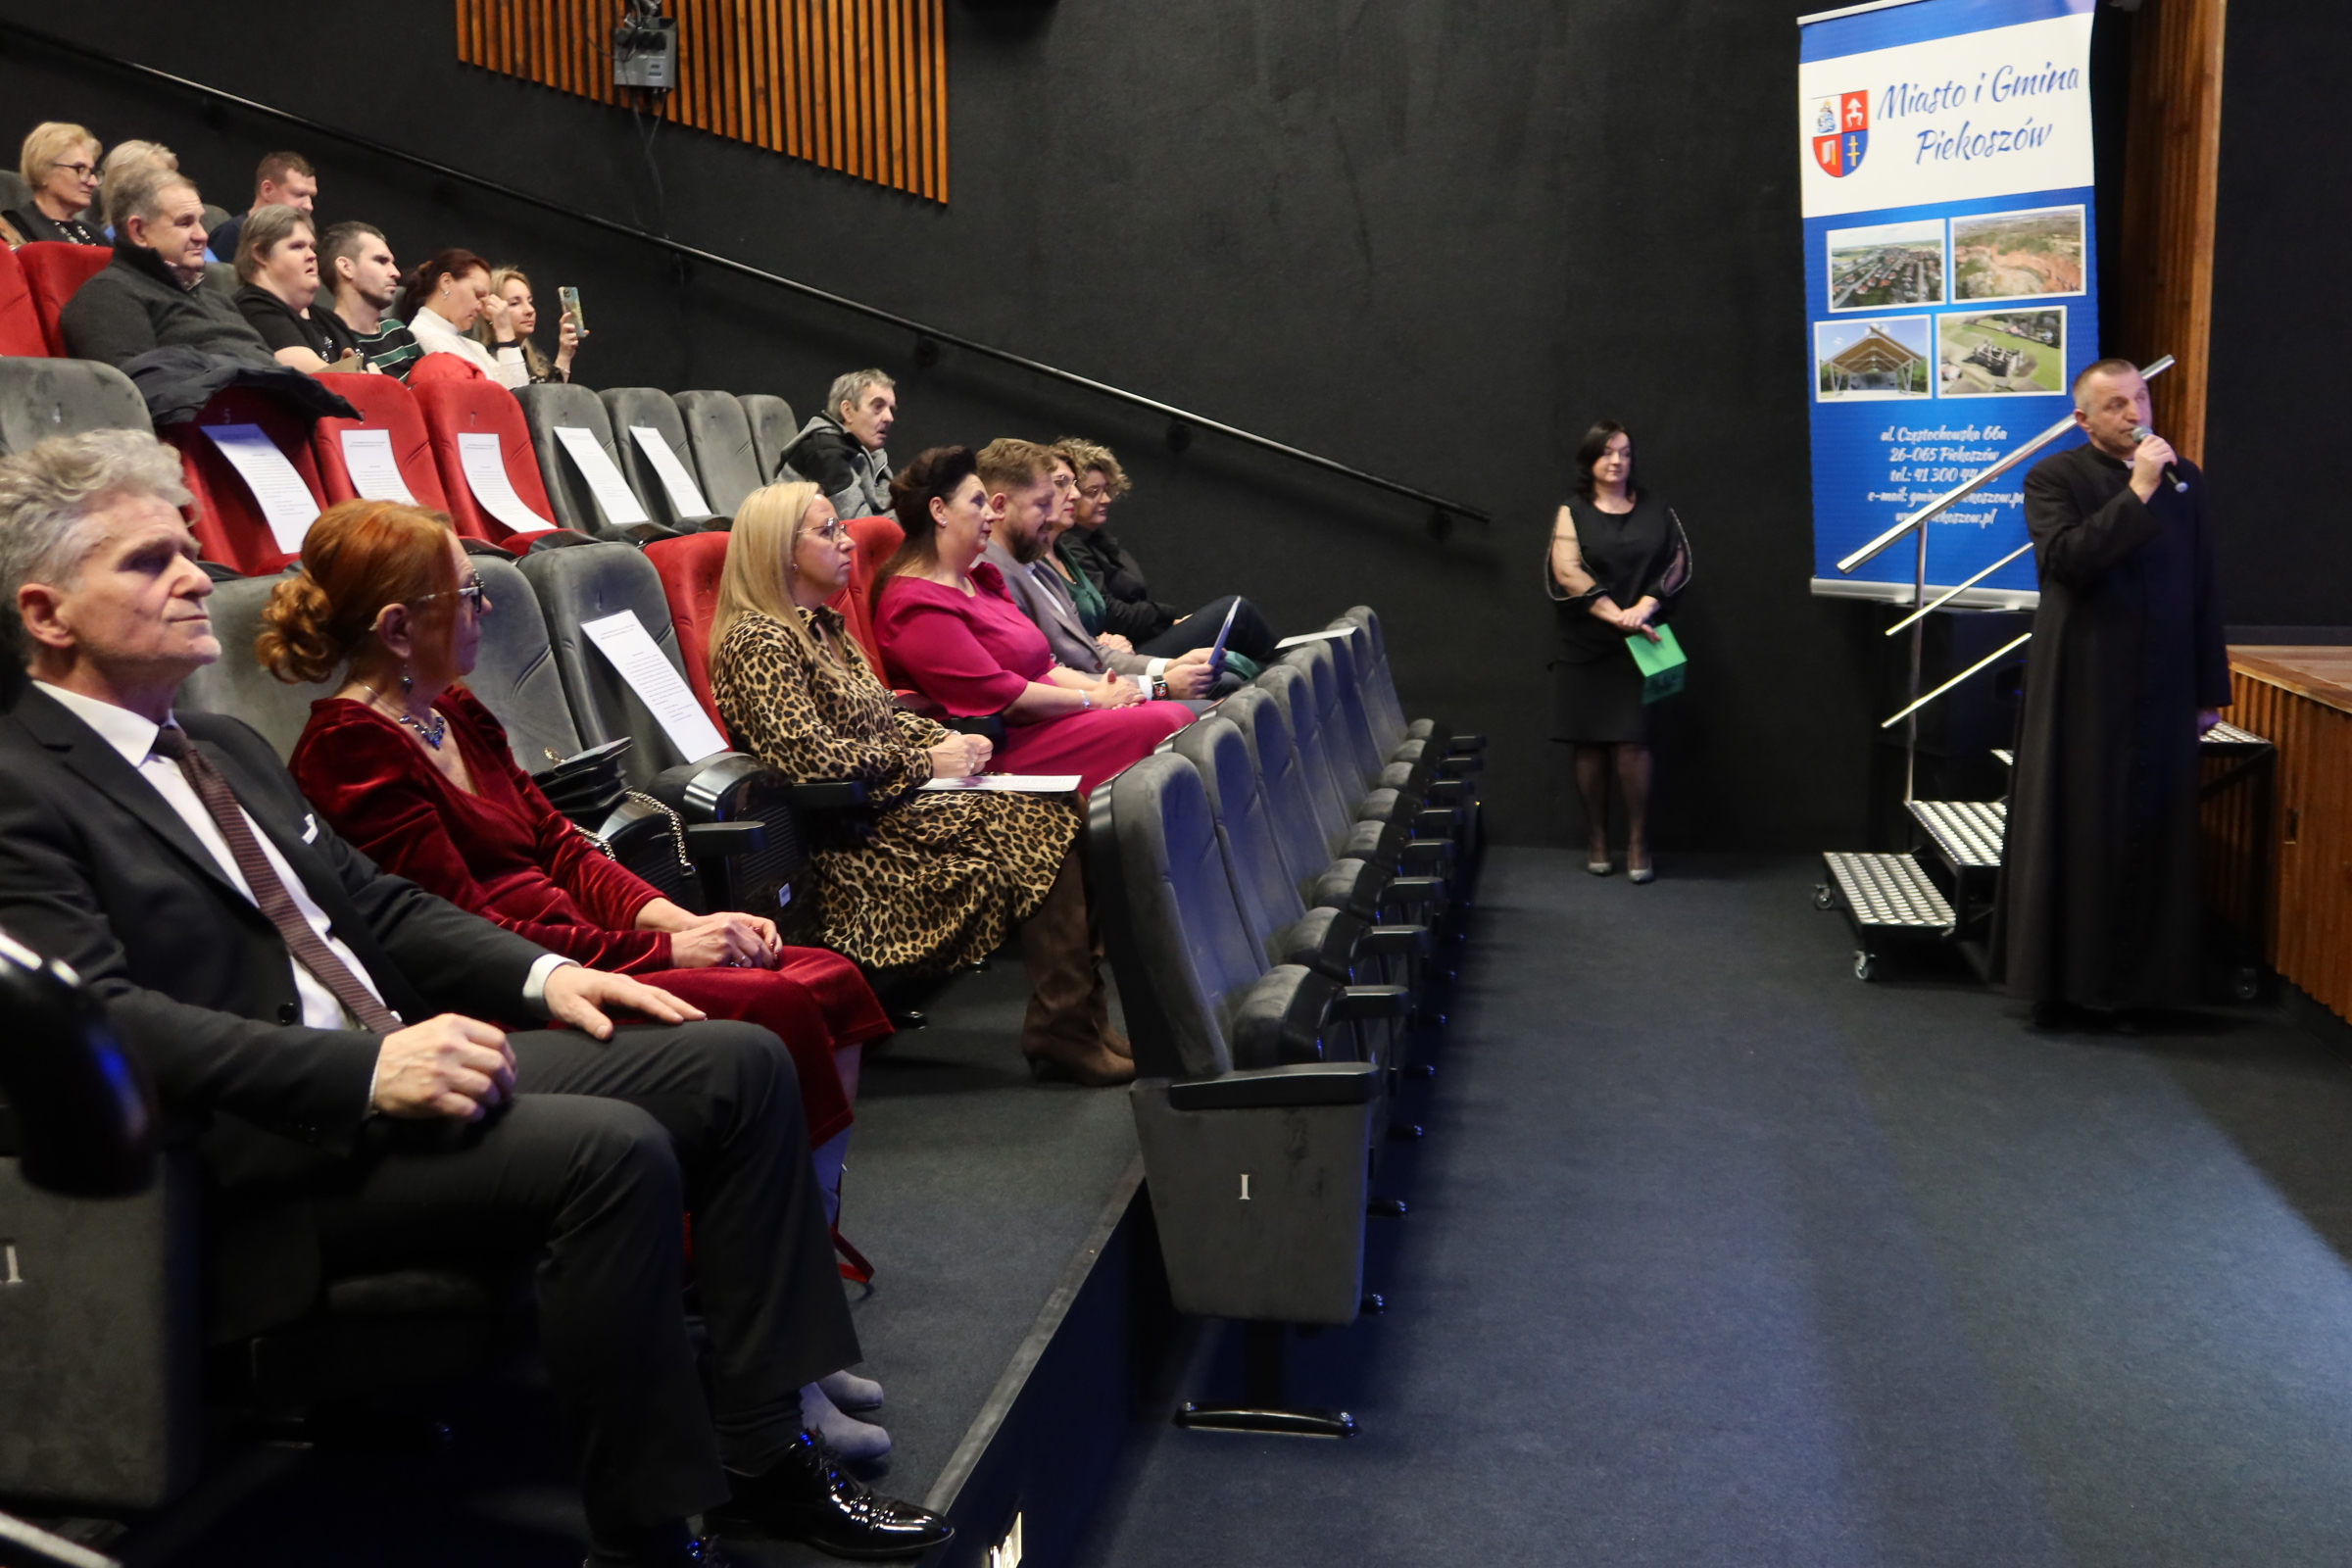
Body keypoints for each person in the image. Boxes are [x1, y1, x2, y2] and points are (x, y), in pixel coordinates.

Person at [0, 430, 954, 1567]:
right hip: (272, 1140)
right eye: (148, 562)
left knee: (734, 1061)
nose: (196, 578)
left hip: (393, 1059)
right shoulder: (20, 783)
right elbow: (100, 1019)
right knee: (611, 1151)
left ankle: (765, 1453)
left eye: (186, 550)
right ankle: (644, 1539)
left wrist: (556, 974)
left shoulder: (218, 744)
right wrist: (367, 1068)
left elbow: (380, 904)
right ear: (47, 614)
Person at [269, 498, 897, 1457]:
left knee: (827, 978)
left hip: (588, 942)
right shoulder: (349, 750)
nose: (483, 609)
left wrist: (682, 921)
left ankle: (782, 1299)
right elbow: (463, 931)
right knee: (772, 1004)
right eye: (466, 595)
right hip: (508, 984)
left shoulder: (452, 709)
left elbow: (563, 846)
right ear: (397, 628)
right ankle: (776, 1357)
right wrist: (662, 958)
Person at [710, 480, 1135, 1086]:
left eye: (842, 528)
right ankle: (1064, 1026)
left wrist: (947, 742)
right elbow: (811, 759)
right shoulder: (758, 641)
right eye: (827, 531)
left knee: (1065, 803)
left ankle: (1081, 1017)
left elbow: (884, 715)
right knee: (1049, 820)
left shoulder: (823, 627)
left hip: (892, 806)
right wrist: (927, 764)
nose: (846, 543)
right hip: (851, 841)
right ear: (781, 551)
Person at [1993, 359, 2230, 1028]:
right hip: (2085, 683)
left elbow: (2203, 586)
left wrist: (2209, 690)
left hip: (2164, 681)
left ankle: (2143, 990)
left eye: (2141, 400)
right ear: (2084, 419)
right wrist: (2139, 490)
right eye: (2117, 405)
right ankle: (2069, 985)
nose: (2135, 415)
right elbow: (2066, 563)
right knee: (2084, 824)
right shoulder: (2054, 478)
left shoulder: (2186, 480)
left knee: (2156, 829)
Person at [873, 445, 1192, 798]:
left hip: (1048, 719)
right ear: (939, 511)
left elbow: (1045, 666)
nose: (990, 514)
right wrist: (1092, 699)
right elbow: (1004, 697)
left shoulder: (981, 579)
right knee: (1168, 722)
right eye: (977, 502)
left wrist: (1108, 692)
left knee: (1177, 717)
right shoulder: (914, 604)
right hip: (1002, 748)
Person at [1545, 420, 1691, 883]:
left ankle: (1638, 842)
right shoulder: (1571, 511)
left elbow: (1678, 562)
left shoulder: (1656, 508)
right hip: (1587, 643)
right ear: (1589, 459)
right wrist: (1617, 615)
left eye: (1625, 453)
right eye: (1607, 453)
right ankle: (1597, 839)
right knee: (1589, 741)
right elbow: (1567, 572)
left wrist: (1644, 608)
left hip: (1644, 642)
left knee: (1634, 741)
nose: (1617, 461)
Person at [974, 439, 1215, 702]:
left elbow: (1091, 652)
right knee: (1205, 697)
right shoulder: (990, 575)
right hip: (1078, 702)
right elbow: (1043, 677)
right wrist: (1160, 685)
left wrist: (1168, 667)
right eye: (1044, 502)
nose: (1071, 497)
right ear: (999, 506)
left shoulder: (1040, 566)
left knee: (1223, 680)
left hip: (1101, 686)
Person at [1053, 437, 1278, 664]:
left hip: (1142, 640)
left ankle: (1284, 671)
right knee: (1235, 611)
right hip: (1127, 652)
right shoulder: (1070, 545)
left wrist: (1166, 622)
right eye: (1093, 492)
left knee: (1231, 668)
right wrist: (1168, 618)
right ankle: (1287, 666)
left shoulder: (1097, 540)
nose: (1106, 499)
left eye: (1106, 489)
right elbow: (1111, 614)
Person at [59, 163, 275, 369]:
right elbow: (133, 386)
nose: (202, 235)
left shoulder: (218, 299)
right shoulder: (108, 295)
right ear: (139, 231)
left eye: (201, 222)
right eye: (184, 223)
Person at [231, 205, 363, 373]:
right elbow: (314, 379)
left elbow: (377, 378)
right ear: (260, 254)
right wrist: (352, 378)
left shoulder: (330, 319)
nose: (312, 255)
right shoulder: (252, 307)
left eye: (312, 247)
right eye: (297, 246)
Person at [397, 247, 528, 387]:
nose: (481, 307)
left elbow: (519, 392)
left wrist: (505, 332)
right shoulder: (420, 334)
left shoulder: (474, 346)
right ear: (446, 282)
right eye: (477, 295)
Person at [779, 369, 896, 519]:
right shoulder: (825, 451)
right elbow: (858, 523)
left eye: (891, 409)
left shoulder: (873, 454)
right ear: (847, 411)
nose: (889, 417)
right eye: (878, 407)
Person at [319, 220, 426, 380]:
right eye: (381, 261)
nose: (395, 272)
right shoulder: (326, 342)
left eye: (392, 263)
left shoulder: (397, 331)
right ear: (346, 267)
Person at [205, 150, 318, 272]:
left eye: (311, 197)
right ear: (267, 190)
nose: (309, 206)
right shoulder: (232, 234)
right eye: (299, 194)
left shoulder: (304, 240)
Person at [477, 266, 584, 384]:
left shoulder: (536, 360)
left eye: (530, 302)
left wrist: (565, 354)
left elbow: (551, 394)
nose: (530, 310)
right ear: (489, 312)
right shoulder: (483, 361)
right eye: (514, 303)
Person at [4, 122, 104, 246]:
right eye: (80, 169)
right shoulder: (13, 228)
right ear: (44, 171)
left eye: (92, 172)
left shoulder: (96, 235)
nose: (93, 183)